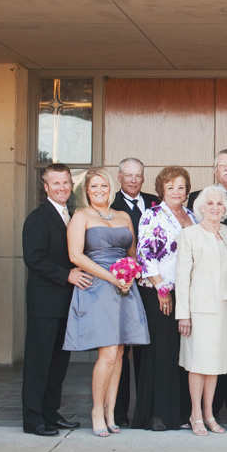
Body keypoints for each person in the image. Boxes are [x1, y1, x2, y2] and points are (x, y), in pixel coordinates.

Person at [63, 167, 150, 437]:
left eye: (104, 186)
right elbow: (76, 256)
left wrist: (129, 274)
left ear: (111, 189)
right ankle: (96, 411)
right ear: (87, 190)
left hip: (125, 288)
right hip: (98, 287)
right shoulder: (81, 216)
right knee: (108, 353)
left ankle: (112, 412)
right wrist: (112, 277)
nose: (99, 191)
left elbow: (132, 253)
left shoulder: (124, 216)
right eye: (94, 186)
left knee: (121, 353)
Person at [22, 164, 92, 436]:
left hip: (67, 303)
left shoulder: (72, 215)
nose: (62, 187)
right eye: (56, 183)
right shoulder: (38, 218)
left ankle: (50, 413)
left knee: (58, 363)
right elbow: (34, 258)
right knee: (39, 362)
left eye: (66, 182)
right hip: (45, 303)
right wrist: (68, 276)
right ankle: (33, 418)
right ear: (46, 187)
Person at [187, 148, 227, 419]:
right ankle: (199, 413)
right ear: (215, 170)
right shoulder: (194, 210)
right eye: (221, 165)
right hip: (201, 301)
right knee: (201, 359)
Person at [132, 166, 195, 431]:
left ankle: (179, 413)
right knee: (161, 353)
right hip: (160, 294)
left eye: (181, 187)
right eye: (171, 187)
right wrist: (161, 290)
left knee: (180, 355)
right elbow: (144, 255)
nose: (176, 192)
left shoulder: (192, 215)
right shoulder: (152, 215)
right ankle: (157, 415)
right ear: (162, 190)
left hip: (185, 293)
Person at [175, 184, 227, 436]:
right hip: (199, 310)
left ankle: (210, 413)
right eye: (210, 203)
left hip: (225, 307)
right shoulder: (189, 234)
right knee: (197, 362)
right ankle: (195, 414)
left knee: (215, 364)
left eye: (219, 203)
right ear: (201, 207)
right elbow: (182, 278)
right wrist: (183, 314)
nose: (215, 207)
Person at [109, 157, 159, 427]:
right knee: (119, 349)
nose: (133, 180)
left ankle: (145, 411)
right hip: (120, 286)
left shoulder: (155, 202)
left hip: (150, 289)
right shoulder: (108, 205)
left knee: (145, 348)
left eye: (138, 175)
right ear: (119, 177)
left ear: (143, 177)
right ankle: (117, 413)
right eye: (127, 175)